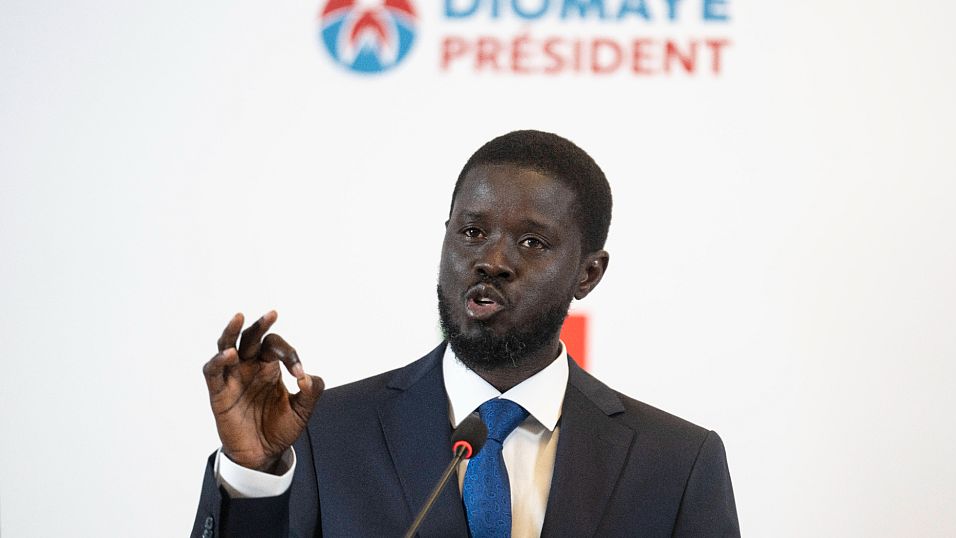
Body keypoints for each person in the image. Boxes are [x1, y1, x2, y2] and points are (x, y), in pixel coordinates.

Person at [191, 130, 740, 537]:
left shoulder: (675, 463)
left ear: (588, 274)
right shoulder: (323, 434)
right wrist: (252, 473)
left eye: (532, 242)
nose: (492, 261)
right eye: (473, 231)